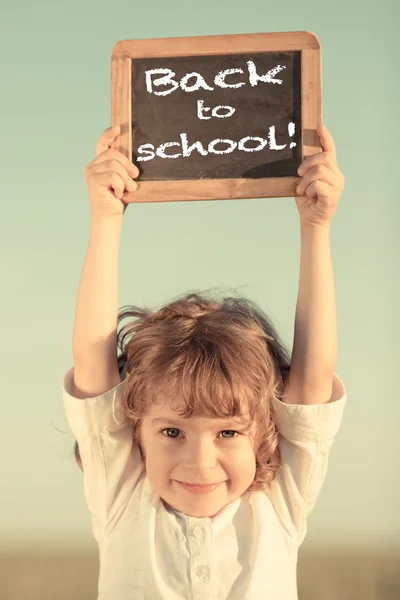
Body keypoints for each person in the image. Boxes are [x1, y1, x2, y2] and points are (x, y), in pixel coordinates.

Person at [63, 123, 346, 599]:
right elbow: (93, 360)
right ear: (136, 434)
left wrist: (316, 227)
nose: (199, 461)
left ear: (265, 436)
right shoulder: (123, 493)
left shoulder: (277, 501)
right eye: (172, 431)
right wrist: (105, 218)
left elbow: (312, 376)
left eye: (229, 432)